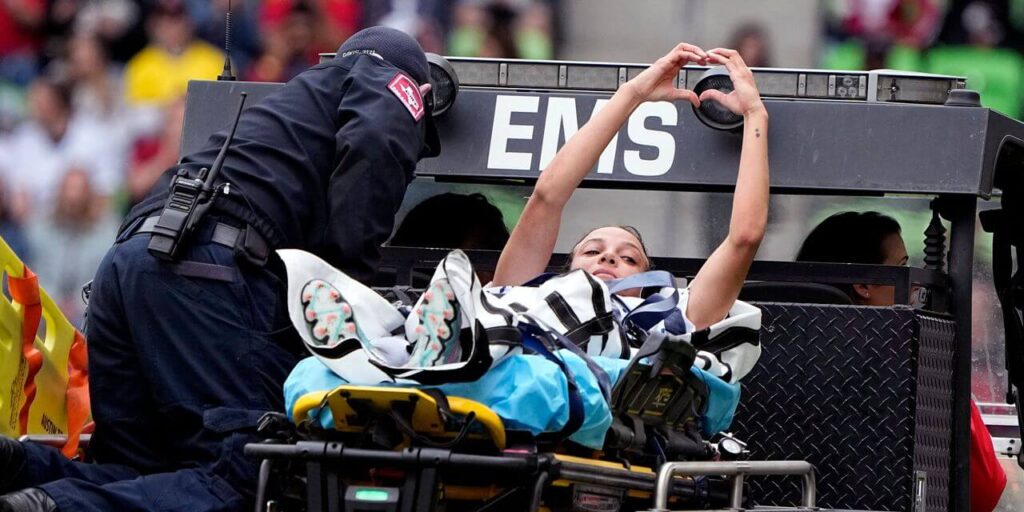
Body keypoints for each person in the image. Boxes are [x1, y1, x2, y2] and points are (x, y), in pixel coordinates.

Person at [0, 26, 439, 512]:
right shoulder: (392, 80)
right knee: (254, 473)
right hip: (204, 267)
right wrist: (347, 287)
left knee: (138, 472)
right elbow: (376, 142)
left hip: (129, 262)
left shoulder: (286, 109)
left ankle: (18, 476)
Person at [492, 42, 769, 333]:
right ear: (566, 270)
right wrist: (632, 93)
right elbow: (547, 197)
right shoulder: (525, 299)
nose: (608, 257)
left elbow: (745, 237)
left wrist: (754, 114)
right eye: (591, 252)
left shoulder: (671, 322)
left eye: (628, 258)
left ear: (646, 285)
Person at [797, 210, 1008, 512]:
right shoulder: (905, 364)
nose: (915, 288)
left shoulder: (778, 353)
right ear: (863, 284)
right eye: (901, 269)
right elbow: (983, 487)